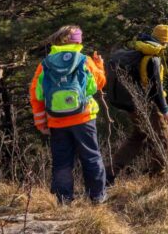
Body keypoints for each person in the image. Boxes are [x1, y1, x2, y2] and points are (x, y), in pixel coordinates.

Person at [29, 25, 107, 204]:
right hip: (84, 117)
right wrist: (99, 65)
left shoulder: (46, 63)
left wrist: (41, 121)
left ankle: (64, 200)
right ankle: (97, 197)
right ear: (78, 41)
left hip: (56, 120)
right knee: (91, 156)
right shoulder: (84, 60)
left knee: (62, 161)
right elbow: (100, 83)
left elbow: (36, 93)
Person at [107, 25, 168, 182]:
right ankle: (157, 177)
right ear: (166, 42)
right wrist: (165, 110)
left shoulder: (139, 52)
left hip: (133, 105)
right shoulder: (153, 58)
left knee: (138, 136)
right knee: (164, 139)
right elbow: (156, 88)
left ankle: (110, 171)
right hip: (148, 105)